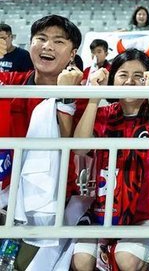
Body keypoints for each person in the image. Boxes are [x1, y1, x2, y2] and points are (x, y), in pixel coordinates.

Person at [72, 49, 149, 271]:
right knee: (81, 260)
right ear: (112, 78)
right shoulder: (103, 113)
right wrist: (94, 97)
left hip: (146, 212)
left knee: (126, 258)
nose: (131, 81)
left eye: (139, 76)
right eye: (123, 74)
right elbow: (79, 148)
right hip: (102, 210)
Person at [0, 15, 84, 267]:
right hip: (7, 193)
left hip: (59, 203)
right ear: (29, 44)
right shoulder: (11, 84)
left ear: (72, 54)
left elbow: (72, 144)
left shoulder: (87, 93)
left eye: (58, 41)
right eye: (41, 39)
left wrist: (66, 96)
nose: (47, 46)